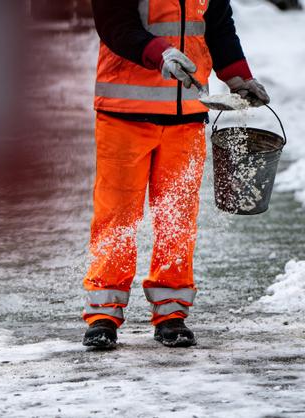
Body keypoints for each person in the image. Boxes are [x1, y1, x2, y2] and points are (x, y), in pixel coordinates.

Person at [82, 0, 270, 348]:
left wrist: (239, 78)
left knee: (178, 218)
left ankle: (171, 313)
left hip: (187, 118)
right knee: (117, 216)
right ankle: (103, 314)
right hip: (124, 114)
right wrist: (159, 52)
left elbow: (218, 28)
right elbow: (114, 25)